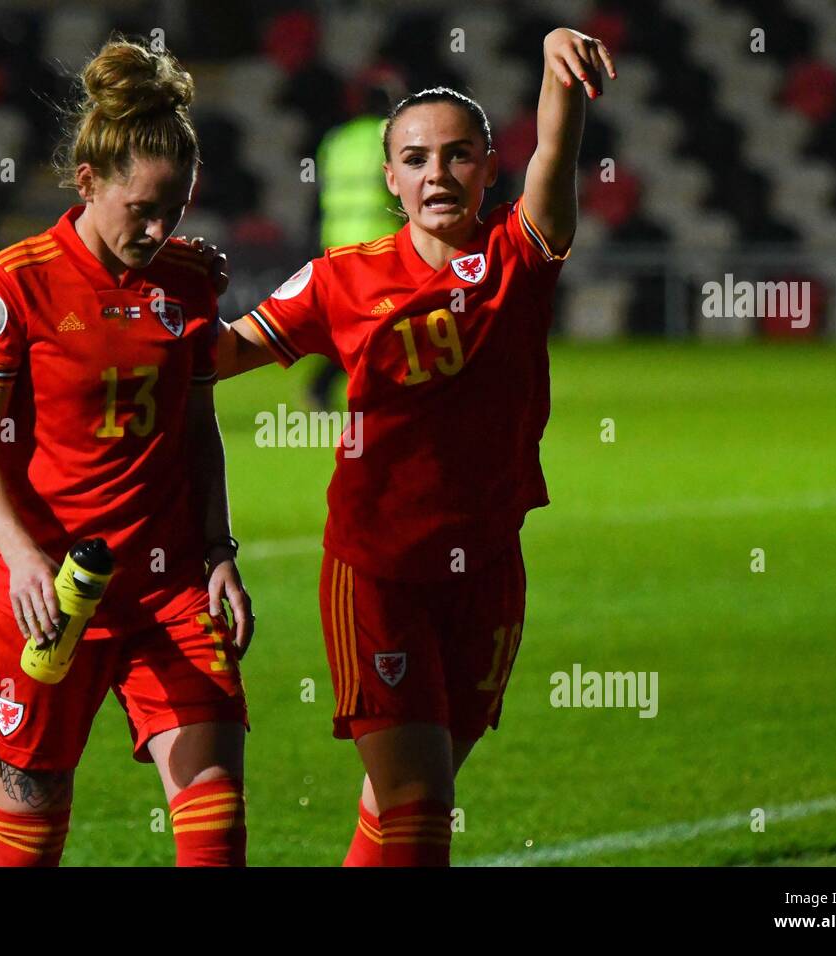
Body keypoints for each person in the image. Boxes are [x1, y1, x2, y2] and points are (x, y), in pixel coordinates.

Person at [217, 28, 616, 866]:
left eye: (459, 155)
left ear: (487, 168)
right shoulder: (340, 279)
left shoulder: (519, 256)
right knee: (419, 802)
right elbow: (217, 357)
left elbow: (557, 147)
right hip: (380, 571)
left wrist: (557, 70)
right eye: (417, 158)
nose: (438, 173)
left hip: (488, 568)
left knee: (403, 798)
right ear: (390, 178)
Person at [0, 36, 253, 867]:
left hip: (168, 594)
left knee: (215, 836)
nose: (157, 229)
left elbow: (198, 428)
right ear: (88, 183)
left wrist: (220, 550)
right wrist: (19, 560)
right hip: (48, 598)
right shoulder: (15, 283)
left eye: (176, 210)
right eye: (142, 209)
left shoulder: (189, 279)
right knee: (28, 843)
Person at [305, 68, 404, 411]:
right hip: (378, 241)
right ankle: (363, 390)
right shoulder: (387, 136)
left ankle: (332, 388)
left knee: (361, 322)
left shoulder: (337, 139)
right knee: (384, 321)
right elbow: (398, 188)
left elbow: (321, 192)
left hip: (336, 241)